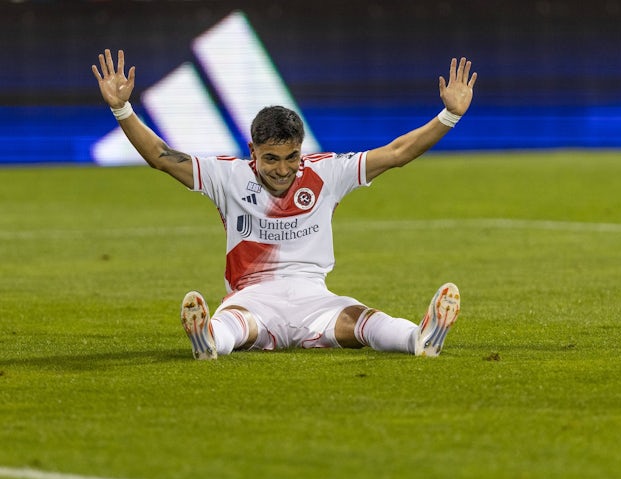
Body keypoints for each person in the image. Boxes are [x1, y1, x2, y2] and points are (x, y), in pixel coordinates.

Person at [92, 49, 477, 360]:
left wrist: (450, 115)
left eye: (291, 157)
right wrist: (122, 110)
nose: (282, 169)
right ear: (252, 152)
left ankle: (420, 338)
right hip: (253, 297)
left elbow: (395, 153)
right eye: (271, 159)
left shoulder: (329, 172)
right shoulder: (226, 176)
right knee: (235, 326)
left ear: (301, 150)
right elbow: (162, 157)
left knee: (366, 321)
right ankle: (207, 341)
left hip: (316, 297)